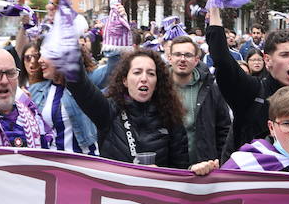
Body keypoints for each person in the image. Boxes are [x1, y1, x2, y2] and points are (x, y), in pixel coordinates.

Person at [201, 0, 289, 150]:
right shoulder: (251, 92)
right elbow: (222, 59)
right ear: (267, 60)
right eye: (285, 55)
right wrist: (213, 5)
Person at [69, 47, 215, 173]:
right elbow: (79, 86)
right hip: (116, 195)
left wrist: (190, 170)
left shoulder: (171, 117)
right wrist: (68, 46)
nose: (144, 78)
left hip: (155, 194)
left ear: (157, 83)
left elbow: (180, 171)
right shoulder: (108, 110)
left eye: (151, 73)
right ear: (125, 80)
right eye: (137, 72)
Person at [166, 36, 230, 166]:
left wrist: (221, 161)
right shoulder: (158, 87)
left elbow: (224, 129)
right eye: (178, 54)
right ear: (170, 58)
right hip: (169, 169)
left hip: (206, 167)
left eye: (188, 55)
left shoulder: (211, 89)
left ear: (196, 60)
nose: (182, 59)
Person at [25, 46, 98, 155]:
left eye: (47, 55)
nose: (40, 60)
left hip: (83, 160)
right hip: (50, 161)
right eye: (41, 55)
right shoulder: (35, 89)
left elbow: (111, 67)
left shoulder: (87, 85)